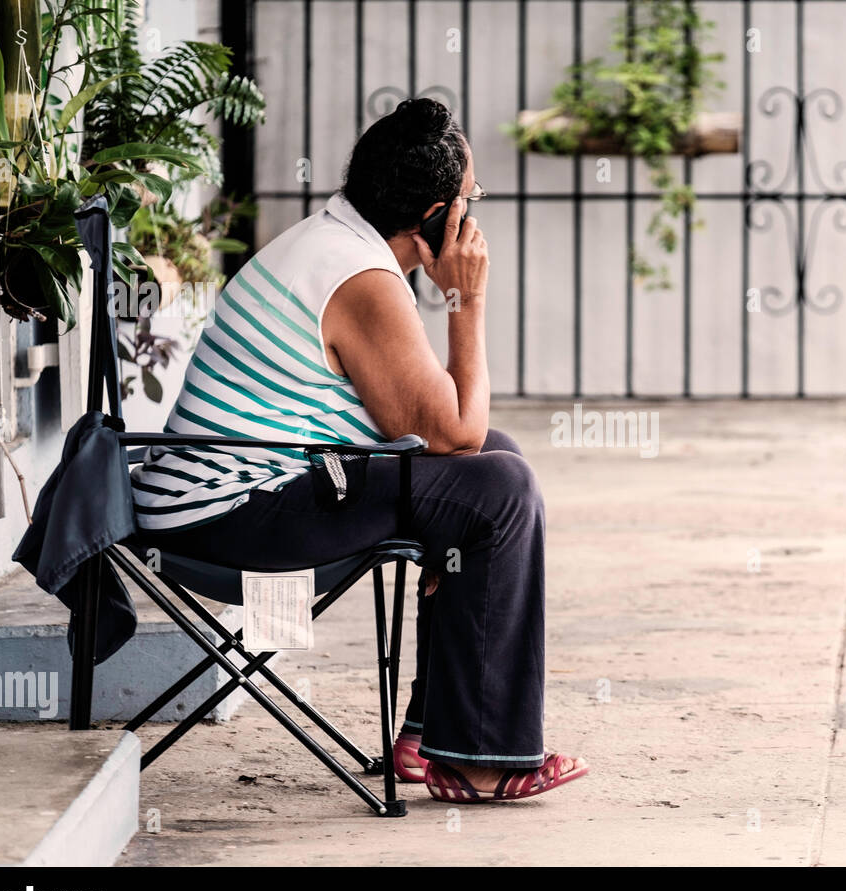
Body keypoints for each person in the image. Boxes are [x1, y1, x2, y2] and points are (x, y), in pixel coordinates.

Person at [130, 98, 587, 803]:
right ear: (435, 214)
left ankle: (436, 731)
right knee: (499, 491)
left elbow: (449, 432)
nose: (475, 215)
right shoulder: (361, 281)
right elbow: (452, 431)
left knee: (500, 461)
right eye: (471, 199)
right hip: (229, 514)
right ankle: (478, 760)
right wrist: (468, 301)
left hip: (244, 489)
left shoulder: (339, 244)